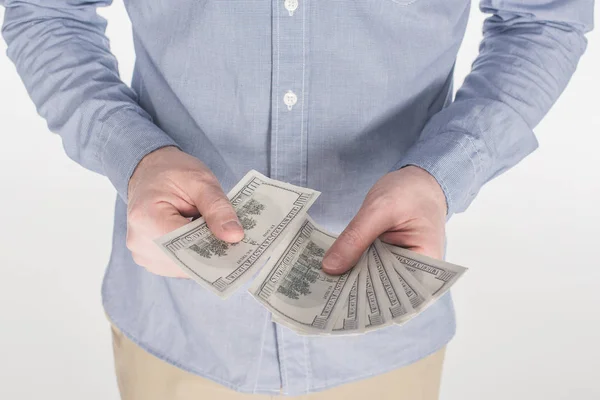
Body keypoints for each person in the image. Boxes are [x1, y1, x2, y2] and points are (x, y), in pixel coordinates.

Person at [1, 0, 593, 399]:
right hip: (177, 325)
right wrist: (132, 155)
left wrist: (445, 173)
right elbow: (47, 10)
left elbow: (541, 19)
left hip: (383, 346)